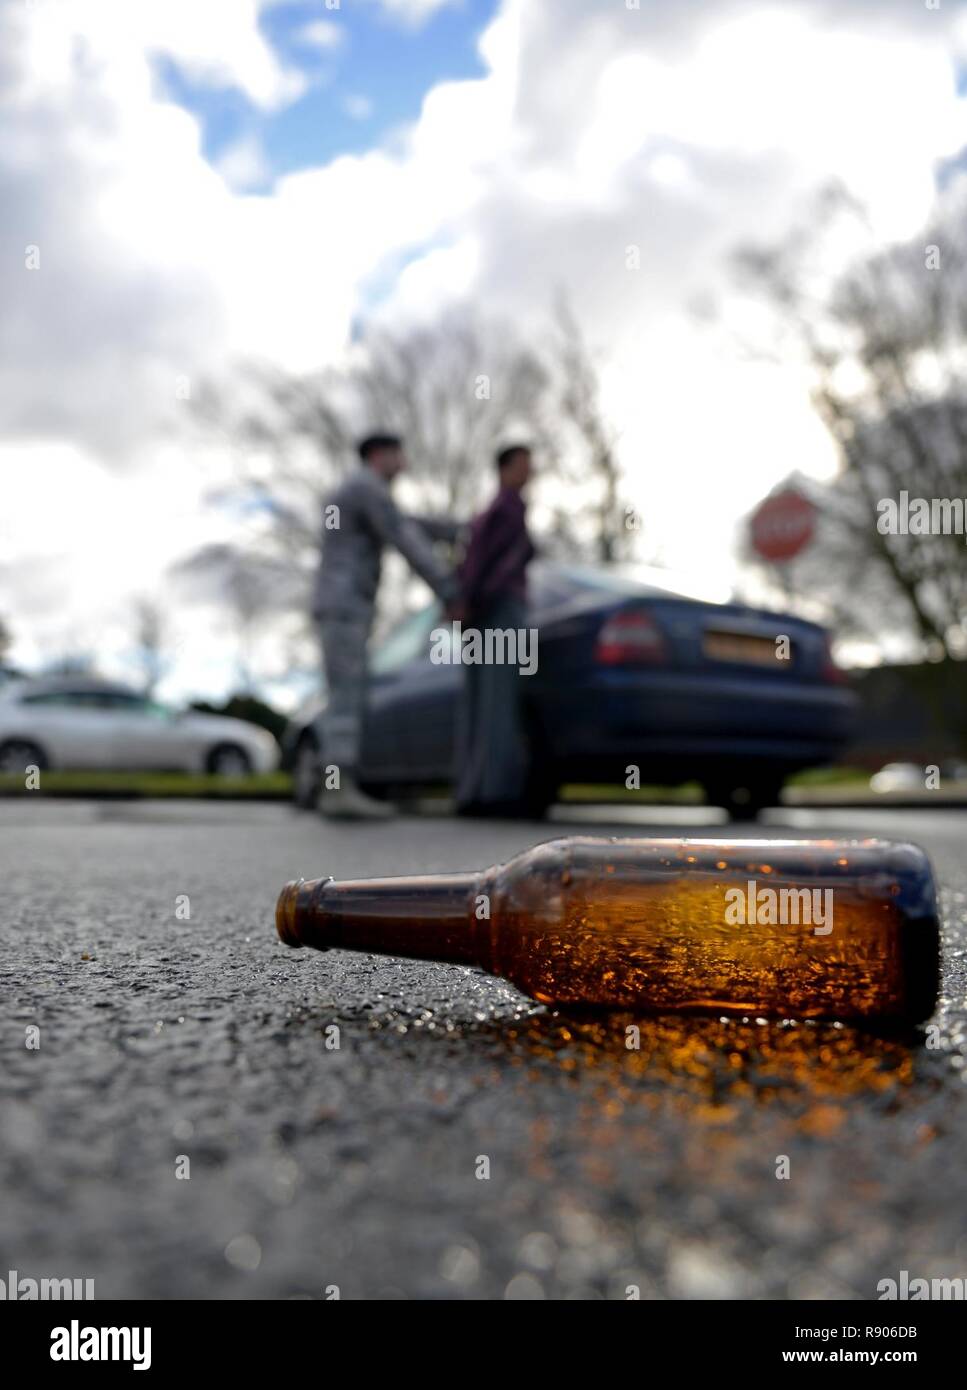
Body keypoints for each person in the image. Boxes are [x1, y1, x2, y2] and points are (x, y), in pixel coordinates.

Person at [312, 433, 459, 820]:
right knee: (346, 695)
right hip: (345, 607)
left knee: (347, 693)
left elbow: (409, 523)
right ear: (380, 455)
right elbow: (402, 534)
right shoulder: (365, 487)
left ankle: (338, 787)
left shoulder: (360, 490)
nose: (404, 464)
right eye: (399, 455)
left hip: (343, 606)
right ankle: (337, 790)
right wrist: (448, 589)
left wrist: (460, 530)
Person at [454, 443, 537, 817]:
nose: (529, 472)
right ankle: (495, 793)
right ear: (504, 469)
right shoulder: (508, 509)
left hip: (481, 611)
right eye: (522, 465)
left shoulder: (492, 510)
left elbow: (473, 561)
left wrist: (465, 603)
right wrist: (471, 600)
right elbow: (484, 562)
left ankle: (473, 792)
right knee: (498, 702)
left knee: (480, 702)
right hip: (498, 609)